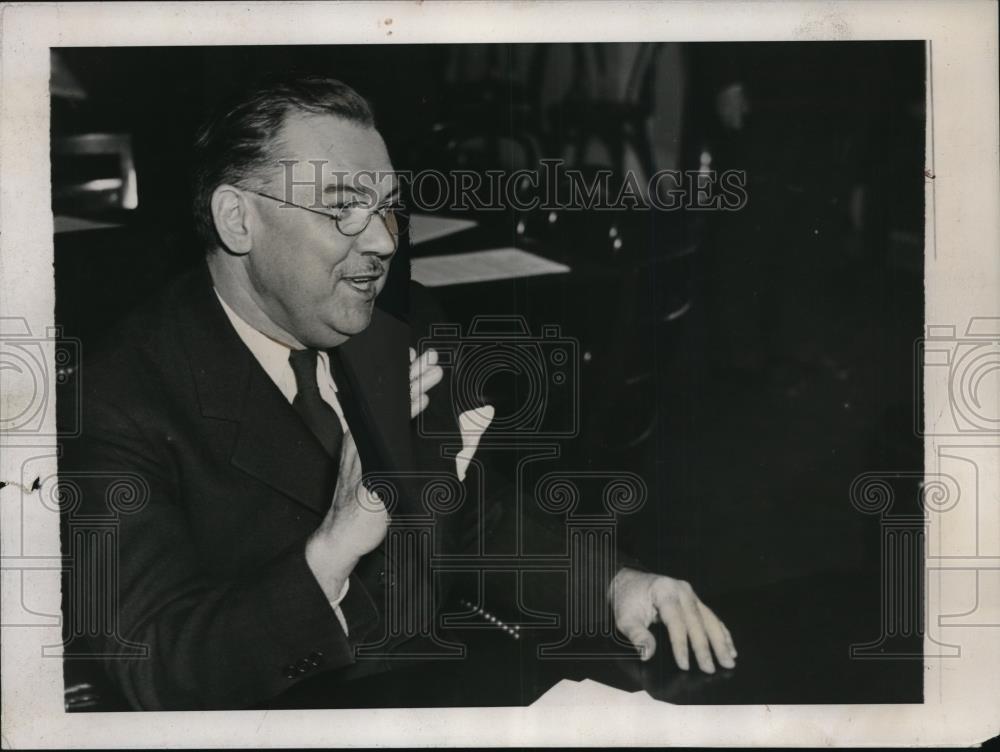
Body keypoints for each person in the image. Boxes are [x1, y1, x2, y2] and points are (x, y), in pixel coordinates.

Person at [60, 74, 736, 711]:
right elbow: (154, 669)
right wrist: (333, 546)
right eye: (342, 210)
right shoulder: (120, 398)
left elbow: (473, 518)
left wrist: (614, 586)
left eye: (388, 209)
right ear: (238, 220)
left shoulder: (394, 333)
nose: (384, 241)